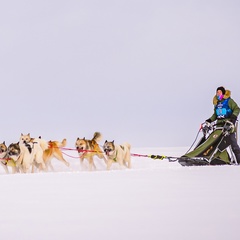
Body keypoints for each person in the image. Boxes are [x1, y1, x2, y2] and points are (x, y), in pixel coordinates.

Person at [205, 86, 240, 164]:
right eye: (217, 92)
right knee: (215, 143)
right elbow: (215, 115)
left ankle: (238, 160)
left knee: (233, 143)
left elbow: (237, 109)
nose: (218, 93)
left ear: (223, 93)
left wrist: (233, 117)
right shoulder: (217, 103)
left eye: (219, 92)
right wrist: (210, 120)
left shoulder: (229, 101)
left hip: (228, 126)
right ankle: (218, 158)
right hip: (219, 126)